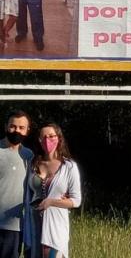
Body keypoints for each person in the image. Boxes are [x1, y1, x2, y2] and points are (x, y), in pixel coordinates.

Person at [24, 123, 81, 258]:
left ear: (59, 138)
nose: (47, 140)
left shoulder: (69, 167)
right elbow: (28, 194)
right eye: (43, 137)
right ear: (39, 140)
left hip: (56, 226)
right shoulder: (32, 164)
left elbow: (76, 200)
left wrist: (52, 202)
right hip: (34, 223)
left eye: (51, 136)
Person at [0, 110, 32, 258]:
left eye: (21, 127)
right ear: (6, 126)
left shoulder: (29, 156)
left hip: (14, 226)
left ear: (27, 131)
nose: (16, 130)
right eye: (13, 126)